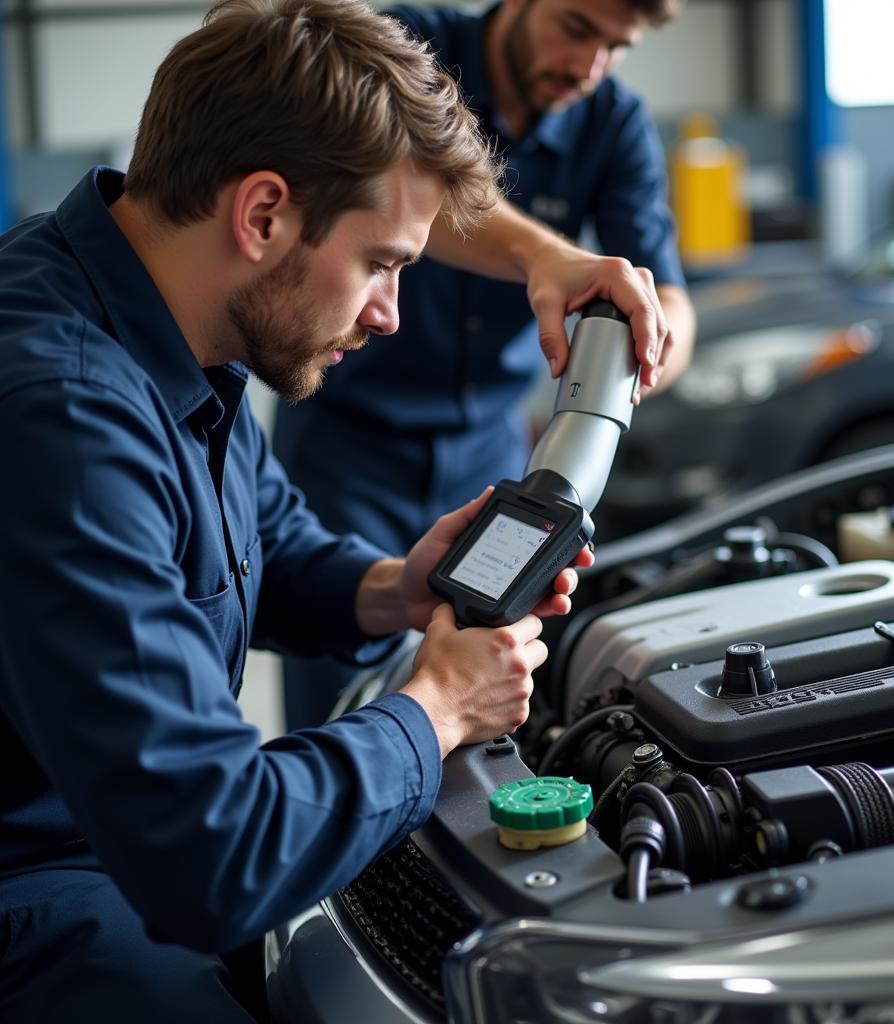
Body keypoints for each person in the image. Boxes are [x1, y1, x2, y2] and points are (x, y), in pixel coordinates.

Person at [0, 1, 674, 1020]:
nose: (389, 314)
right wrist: (436, 709)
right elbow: (212, 850)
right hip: (37, 881)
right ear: (262, 213)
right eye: (383, 263)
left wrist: (398, 588)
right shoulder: (67, 416)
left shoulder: (164, 328)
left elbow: (262, 539)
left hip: (102, 838)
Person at [273, 0, 696, 729]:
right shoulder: (407, 52)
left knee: (484, 701)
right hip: (349, 449)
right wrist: (549, 255)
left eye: (615, 48)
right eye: (575, 29)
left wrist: (640, 352)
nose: (587, 67)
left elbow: (669, 300)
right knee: (339, 709)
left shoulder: (613, 124)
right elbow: (410, 191)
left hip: (491, 459)